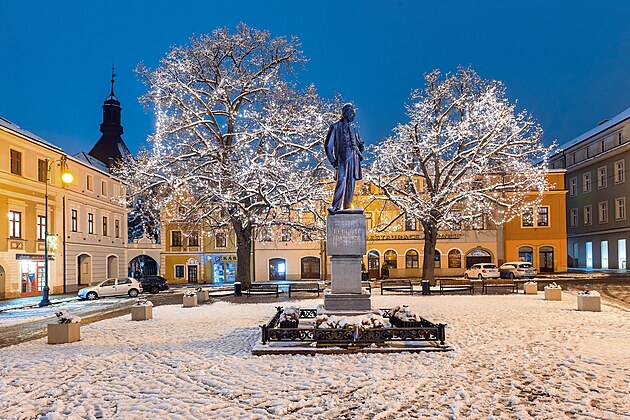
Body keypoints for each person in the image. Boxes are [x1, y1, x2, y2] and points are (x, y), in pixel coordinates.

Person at [325, 103, 365, 213]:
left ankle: (347, 206)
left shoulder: (353, 129)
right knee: (341, 181)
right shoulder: (335, 127)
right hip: (341, 158)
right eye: (352, 114)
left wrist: (359, 153)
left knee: (351, 182)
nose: (353, 117)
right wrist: (333, 161)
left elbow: (361, 142)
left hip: (353, 158)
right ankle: (336, 206)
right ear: (346, 113)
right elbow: (328, 146)